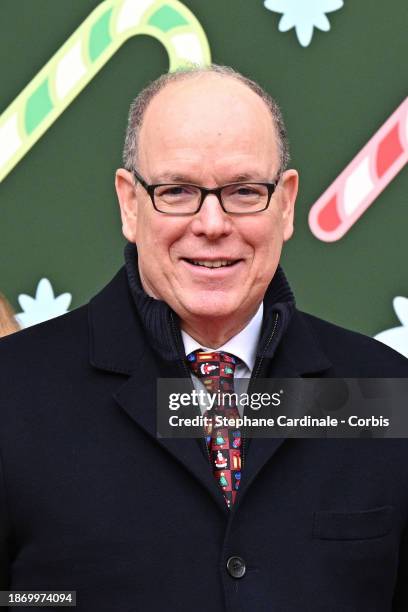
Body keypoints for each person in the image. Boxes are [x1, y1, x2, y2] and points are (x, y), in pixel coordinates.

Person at [0, 65, 407, 611]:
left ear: (285, 204)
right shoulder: (14, 391)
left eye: (243, 191)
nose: (212, 223)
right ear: (129, 203)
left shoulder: (383, 392)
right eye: (177, 191)